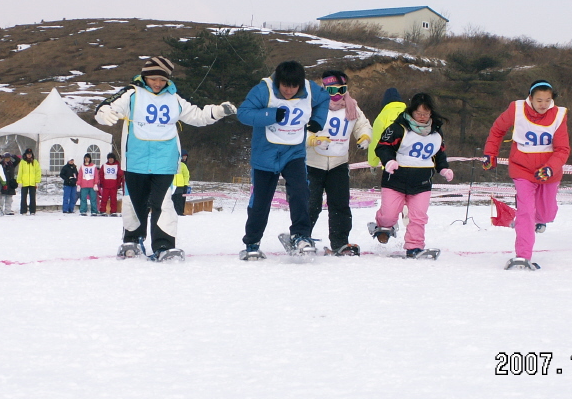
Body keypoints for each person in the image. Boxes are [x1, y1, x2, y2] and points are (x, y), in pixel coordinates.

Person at [95, 56, 236, 261]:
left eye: (162, 80)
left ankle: (164, 245)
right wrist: (103, 112)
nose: (158, 84)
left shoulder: (174, 98)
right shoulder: (131, 93)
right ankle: (132, 240)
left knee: (164, 203)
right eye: (153, 79)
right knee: (134, 202)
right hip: (136, 159)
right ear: (145, 76)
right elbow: (108, 105)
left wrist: (217, 111)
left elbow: (196, 116)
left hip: (165, 160)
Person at [237, 60, 330, 260]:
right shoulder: (264, 90)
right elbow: (243, 113)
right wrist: (270, 114)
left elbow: (324, 99)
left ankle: (301, 235)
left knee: (300, 192)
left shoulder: (310, 89)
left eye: (293, 86)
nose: (289, 90)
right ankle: (252, 242)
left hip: (294, 152)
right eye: (285, 85)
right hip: (265, 154)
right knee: (261, 201)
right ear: (278, 81)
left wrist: (318, 121)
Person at [483, 80, 570, 270]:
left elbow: (563, 149)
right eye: (539, 100)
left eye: (547, 100)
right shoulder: (517, 109)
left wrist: (550, 168)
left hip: (549, 173)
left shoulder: (559, 115)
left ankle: (538, 221)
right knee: (525, 212)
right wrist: (490, 153)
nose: (543, 105)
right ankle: (523, 255)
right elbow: (498, 130)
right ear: (530, 98)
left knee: (546, 213)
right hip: (522, 169)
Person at [370, 93, 452, 258]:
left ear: (431, 113)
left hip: (421, 182)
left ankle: (414, 246)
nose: (422, 117)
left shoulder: (436, 132)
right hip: (395, 180)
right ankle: (383, 224)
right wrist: (389, 161)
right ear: (411, 112)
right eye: (418, 114)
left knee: (418, 216)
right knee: (389, 215)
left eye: (425, 114)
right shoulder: (398, 128)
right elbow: (382, 147)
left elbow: (439, 154)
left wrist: (443, 169)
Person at [306, 70, 372, 256]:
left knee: (340, 204)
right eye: (332, 89)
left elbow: (363, 125)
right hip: (313, 164)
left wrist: (365, 136)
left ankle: (340, 241)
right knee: (311, 204)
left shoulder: (352, 107)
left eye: (341, 89)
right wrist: (313, 140)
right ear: (324, 88)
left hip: (339, 164)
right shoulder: (314, 106)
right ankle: (301, 235)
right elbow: (300, 129)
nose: (337, 94)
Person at [367, 87, 407, 168]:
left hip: (390, 162)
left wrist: (373, 163)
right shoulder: (410, 113)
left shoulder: (382, 117)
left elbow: (376, 141)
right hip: (412, 162)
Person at [98, 152, 124, 217]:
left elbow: (120, 175)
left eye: (112, 158)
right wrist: (101, 182)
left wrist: (118, 184)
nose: (110, 160)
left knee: (113, 199)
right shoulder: (104, 166)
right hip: (106, 185)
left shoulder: (117, 166)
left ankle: (113, 211)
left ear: (114, 159)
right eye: (109, 158)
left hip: (114, 185)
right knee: (104, 198)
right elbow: (101, 174)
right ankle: (102, 210)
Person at [17, 148, 41, 215]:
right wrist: (19, 181)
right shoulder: (22, 162)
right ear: (26, 154)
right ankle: (23, 211)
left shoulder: (35, 162)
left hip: (32, 182)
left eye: (30, 154)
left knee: (32, 197)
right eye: (28, 154)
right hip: (24, 182)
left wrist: (37, 181)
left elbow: (38, 172)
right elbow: (20, 172)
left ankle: (32, 211)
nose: (29, 155)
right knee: (23, 197)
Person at [172, 151, 190, 216]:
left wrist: (185, 184)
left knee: (179, 199)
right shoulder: (171, 164)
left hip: (180, 185)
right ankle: (172, 212)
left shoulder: (183, 165)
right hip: (172, 185)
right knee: (172, 199)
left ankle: (180, 212)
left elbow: (186, 175)